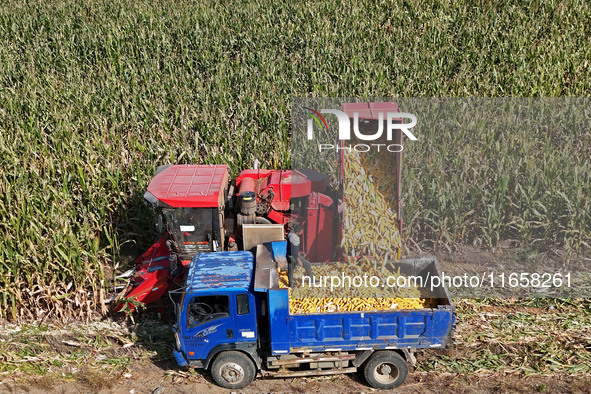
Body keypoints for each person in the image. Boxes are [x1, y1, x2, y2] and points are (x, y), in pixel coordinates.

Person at [287, 223, 313, 287]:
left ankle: (291, 285)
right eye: (301, 230)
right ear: (298, 232)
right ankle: (311, 281)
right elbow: (295, 253)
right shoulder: (295, 239)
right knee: (307, 264)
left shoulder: (291, 233)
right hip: (293, 257)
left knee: (290, 270)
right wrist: (299, 261)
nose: (302, 231)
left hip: (288, 255)